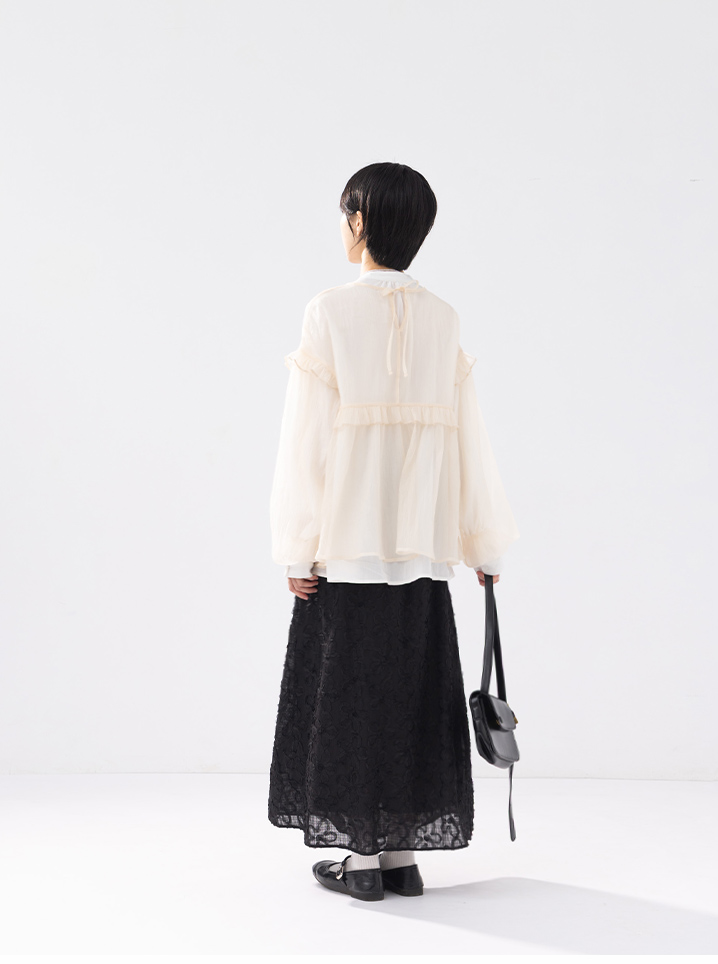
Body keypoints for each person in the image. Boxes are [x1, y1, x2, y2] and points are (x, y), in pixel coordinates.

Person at [268, 162, 520, 901]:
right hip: (423, 554)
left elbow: (307, 439)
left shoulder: (328, 311)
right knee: (412, 698)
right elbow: (470, 437)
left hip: (347, 552)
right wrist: (484, 542)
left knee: (350, 699)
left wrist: (296, 545)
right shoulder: (443, 316)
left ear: (361, 220)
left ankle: (362, 863)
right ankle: (404, 856)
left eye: (347, 213)